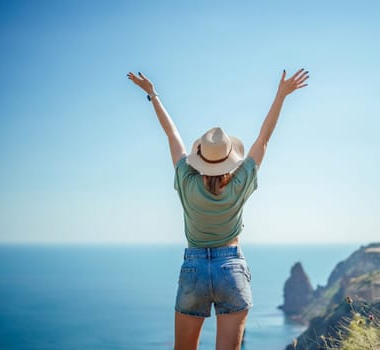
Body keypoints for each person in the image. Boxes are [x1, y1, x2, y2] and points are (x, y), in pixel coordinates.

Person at [127, 68, 309, 350]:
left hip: (194, 268)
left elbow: (171, 133)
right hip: (231, 268)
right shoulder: (240, 182)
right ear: (229, 158)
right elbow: (263, 139)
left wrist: (152, 94)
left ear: (199, 156)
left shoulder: (186, 181)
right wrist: (281, 95)